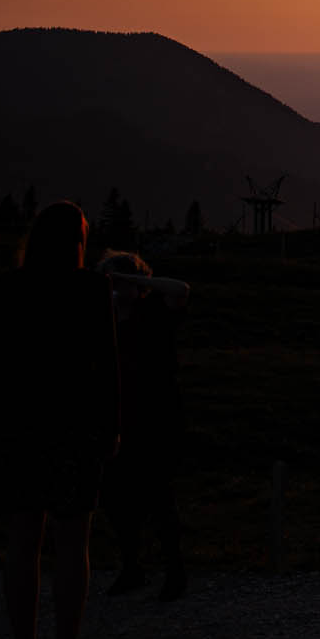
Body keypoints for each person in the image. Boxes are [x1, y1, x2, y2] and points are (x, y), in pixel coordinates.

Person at [0, 201, 118, 639]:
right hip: (76, 429)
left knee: (22, 540)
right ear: (76, 242)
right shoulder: (91, 289)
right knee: (71, 542)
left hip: (19, 428)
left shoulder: (8, 289)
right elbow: (107, 367)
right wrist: (111, 427)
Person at [95, 250, 192, 601]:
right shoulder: (103, 320)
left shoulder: (154, 311)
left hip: (156, 416)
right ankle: (132, 568)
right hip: (116, 416)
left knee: (158, 495)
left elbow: (180, 288)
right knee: (116, 497)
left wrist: (135, 281)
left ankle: (174, 571)